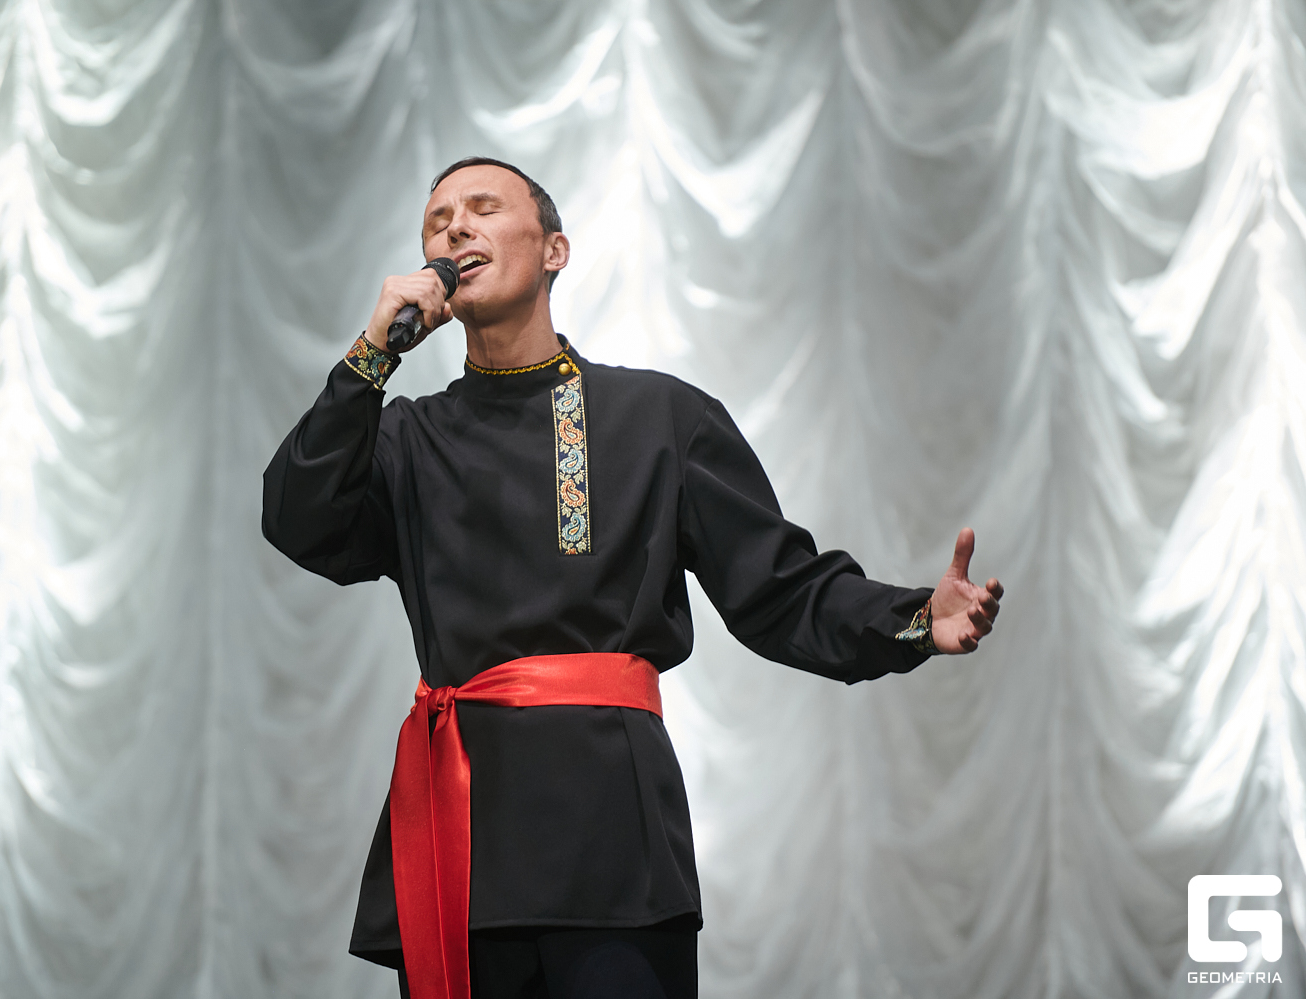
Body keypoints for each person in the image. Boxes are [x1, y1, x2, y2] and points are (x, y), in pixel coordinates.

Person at [261, 157, 1003, 999]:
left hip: (613, 843)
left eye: (483, 207)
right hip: (459, 841)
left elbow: (780, 588)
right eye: (438, 220)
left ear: (554, 250)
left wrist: (914, 618)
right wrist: (370, 357)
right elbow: (297, 519)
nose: (456, 226)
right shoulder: (406, 440)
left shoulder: (659, 418)